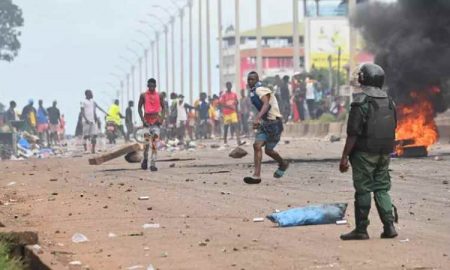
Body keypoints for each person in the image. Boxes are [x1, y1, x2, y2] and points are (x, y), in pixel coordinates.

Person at [339, 63, 398, 240]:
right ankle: (389, 227)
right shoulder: (389, 101)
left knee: (363, 190)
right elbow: (394, 126)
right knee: (381, 189)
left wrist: (344, 157)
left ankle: (361, 230)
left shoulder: (360, 101)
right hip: (384, 152)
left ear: (363, 78)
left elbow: (352, 133)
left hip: (364, 154)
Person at [244, 71, 289, 184]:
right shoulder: (253, 92)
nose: (250, 82)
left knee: (269, 150)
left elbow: (266, 104)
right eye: (249, 79)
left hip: (274, 124)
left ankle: (283, 163)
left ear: (257, 80)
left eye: (252, 79)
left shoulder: (260, 89)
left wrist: (257, 118)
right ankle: (257, 175)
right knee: (257, 145)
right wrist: (259, 119)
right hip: (265, 124)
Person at [138, 78, 165, 172]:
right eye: (150, 85)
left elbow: (164, 107)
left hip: (156, 123)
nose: (152, 87)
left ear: (155, 86)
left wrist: (161, 119)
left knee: (154, 144)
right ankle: (145, 160)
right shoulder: (143, 95)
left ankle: (153, 163)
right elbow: (139, 108)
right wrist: (143, 120)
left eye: (153, 85)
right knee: (146, 144)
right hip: (146, 123)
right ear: (148, 85)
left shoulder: (160, 95)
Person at [81, 89, 107, 154]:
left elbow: (98, 107)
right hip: (86, 121)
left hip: (93, 121)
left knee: (94, 135)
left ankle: (93, 149)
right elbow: (82, 112)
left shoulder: (93, 102)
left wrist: (105, 113)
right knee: (86, 136)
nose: (92, 95)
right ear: (87, 94)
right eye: (91, 93)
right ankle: (85, 149)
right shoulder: (83, 102)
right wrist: (86, 120)